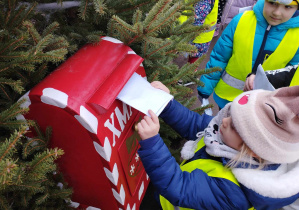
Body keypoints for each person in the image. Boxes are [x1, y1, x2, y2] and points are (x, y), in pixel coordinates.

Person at [137, 81, 299, 210]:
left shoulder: (234, 194)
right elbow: (194, 124)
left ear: (253, 150)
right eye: (230, 114)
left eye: (235, 126)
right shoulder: (227, 135)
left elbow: (179, 187)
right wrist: (167, 105)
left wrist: (152, 143)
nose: (225, 121)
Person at [197, 0, 299, 109]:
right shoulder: (241, 20)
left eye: (288, 7)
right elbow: (219, 58)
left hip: (261, 107)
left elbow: (293, 74)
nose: (277, 13)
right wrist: (204, 89)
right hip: (226, 98)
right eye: (272, 3)